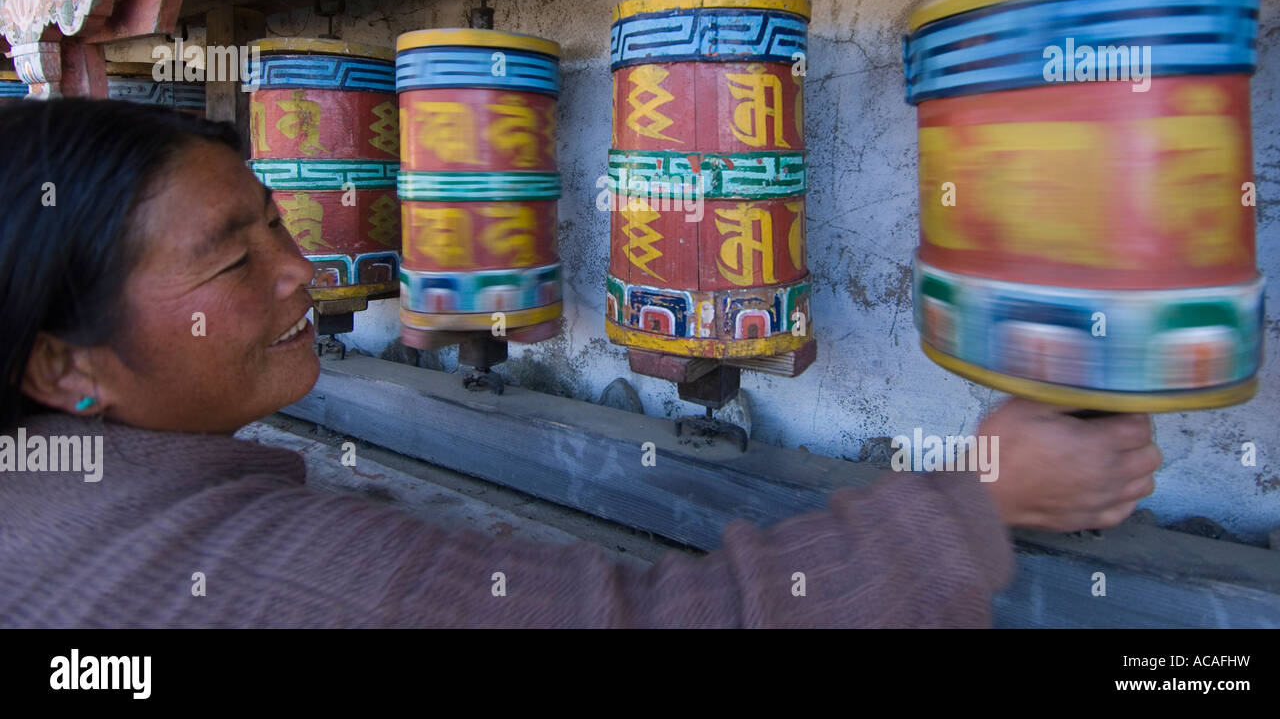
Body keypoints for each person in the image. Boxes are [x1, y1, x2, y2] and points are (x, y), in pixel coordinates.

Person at [0, 98, 1161, 627]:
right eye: (230, 258)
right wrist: (981, 499)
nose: (301, 271)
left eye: (276, 222)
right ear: (62, 365)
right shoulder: (270, 574)